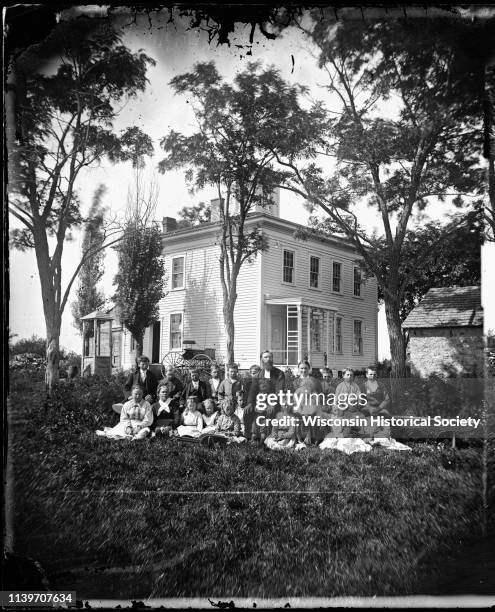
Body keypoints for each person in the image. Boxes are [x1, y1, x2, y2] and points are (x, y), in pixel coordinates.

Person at [246, 351, 286, 418]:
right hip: (260, 402)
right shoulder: (257, 375)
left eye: (270, 357)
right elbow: (252, 392)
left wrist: (272, 404)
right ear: (261, 360)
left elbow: (279, 390)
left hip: (275, 403)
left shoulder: (279, 374)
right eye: (265, 357)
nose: (268, 359)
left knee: (270, 413)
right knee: (247, 413)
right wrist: (250, 404)